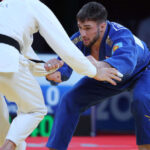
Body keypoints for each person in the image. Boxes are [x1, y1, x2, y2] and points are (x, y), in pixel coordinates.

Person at [0, 0, 121, 150]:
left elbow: (16, 51)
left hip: (7, 56)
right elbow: (64, 46)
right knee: (34, 110)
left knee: (2, 128)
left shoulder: (6, 9)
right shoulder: (33, 5)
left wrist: (46, 68)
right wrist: (94, 71)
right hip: (6, 57)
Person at [45, 2, 150, 150]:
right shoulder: (79, 39)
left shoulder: (120, 34)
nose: (83, 33)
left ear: (102, 26)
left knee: (143, 99)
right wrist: (55, 73)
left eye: (88, 28)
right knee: (70, 99)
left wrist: (97, 66)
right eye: (80, 27)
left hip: (142, 72)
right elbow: (65, 64)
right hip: (105, 76)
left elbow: (126, 63)